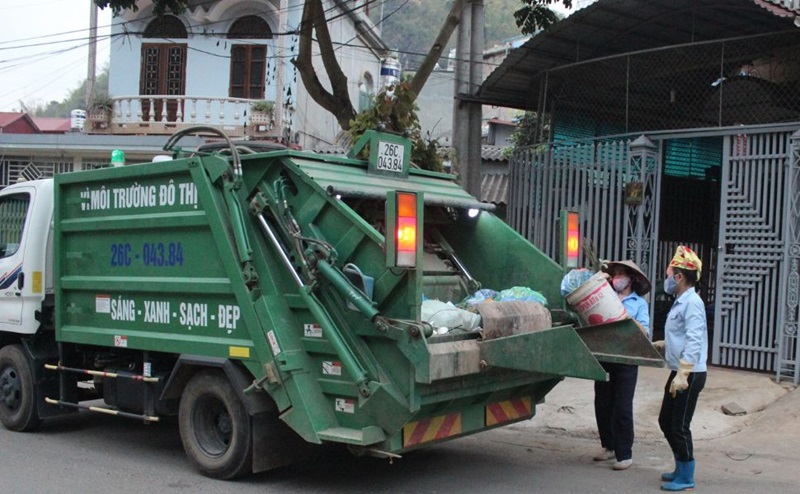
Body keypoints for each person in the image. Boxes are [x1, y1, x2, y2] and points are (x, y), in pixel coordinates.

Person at [653, 246, 707, 491]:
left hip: (690, 373)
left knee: (679, 425)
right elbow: (683, 335)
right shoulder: (681, 301)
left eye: (669, 273)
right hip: (679, 370)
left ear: (679, 277)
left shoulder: (692, 303)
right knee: (666, 420)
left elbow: (695, 339)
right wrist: (665, 345)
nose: (666, 278)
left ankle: (686, 476)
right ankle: (679, 465)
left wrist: (684, 373)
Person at [592, 260, 651, 471]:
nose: (617, 278)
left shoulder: (639, 304)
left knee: (622, 406)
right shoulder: (604, 298)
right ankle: (608, 446)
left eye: (621, 274)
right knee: (603, 403)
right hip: (605, 356)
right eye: (614, 274)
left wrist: (625, 318)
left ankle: (624, 453)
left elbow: (645, 331)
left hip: (627, 359)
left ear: (631, 279)